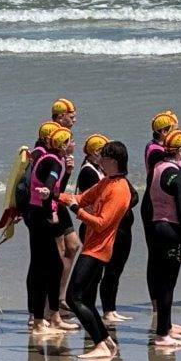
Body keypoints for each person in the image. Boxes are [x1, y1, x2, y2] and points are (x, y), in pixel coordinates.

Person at [59, 140, 132, 361]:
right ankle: (105, 340)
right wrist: (54, 195)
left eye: (104, 158)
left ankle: (100, 343)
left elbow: (101, 223)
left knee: (73, 297)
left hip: (99, 250)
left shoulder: (120, 188)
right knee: (85, 300)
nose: (100, 161)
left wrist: (76, 211)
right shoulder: (107, 182)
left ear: (114, 161)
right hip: (91, 247)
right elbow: (81, 198)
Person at [75, 134, 137, 324]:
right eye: (102, 153)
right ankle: (94, 310)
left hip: (117, 228)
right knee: (96, 276)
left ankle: (109, 309)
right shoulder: (89, 173)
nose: (103, 158)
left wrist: (119, 206)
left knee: (114, 271)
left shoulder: (113, 178)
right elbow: (92, 202)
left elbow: (134, 195)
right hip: (98, 230)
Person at [142, 128, 181, 348]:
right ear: (180, 150)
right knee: (168, 284)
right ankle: (163, 334)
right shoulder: (178, 175)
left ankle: (167, 325)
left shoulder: (156, 167)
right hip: (172, 230)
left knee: (161, 278)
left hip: (155, 227)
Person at [24, 125, 78, 334]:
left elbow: (56, 189)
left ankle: (53, 317)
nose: (72, 144)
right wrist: (50, 213)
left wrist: (67, 174)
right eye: (70, 141)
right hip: (40, 216)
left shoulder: (50, 158)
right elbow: (48, 187)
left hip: (37, 213)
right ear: (63, 144)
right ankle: (40, 321)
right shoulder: (53, 161)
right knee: (44, 267)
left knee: (53, 266)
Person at [50, 98, 82, 314]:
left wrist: (69, 171)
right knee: (58, 251)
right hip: (50, 204)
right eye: (71, 114)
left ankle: (60, 297)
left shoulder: (66, 140)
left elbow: (59, 182)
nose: (74, 118)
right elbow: (48, 183)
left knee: (73, 245)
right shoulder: (52, 139)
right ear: (60, 116)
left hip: (59, 199)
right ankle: (48, 305)